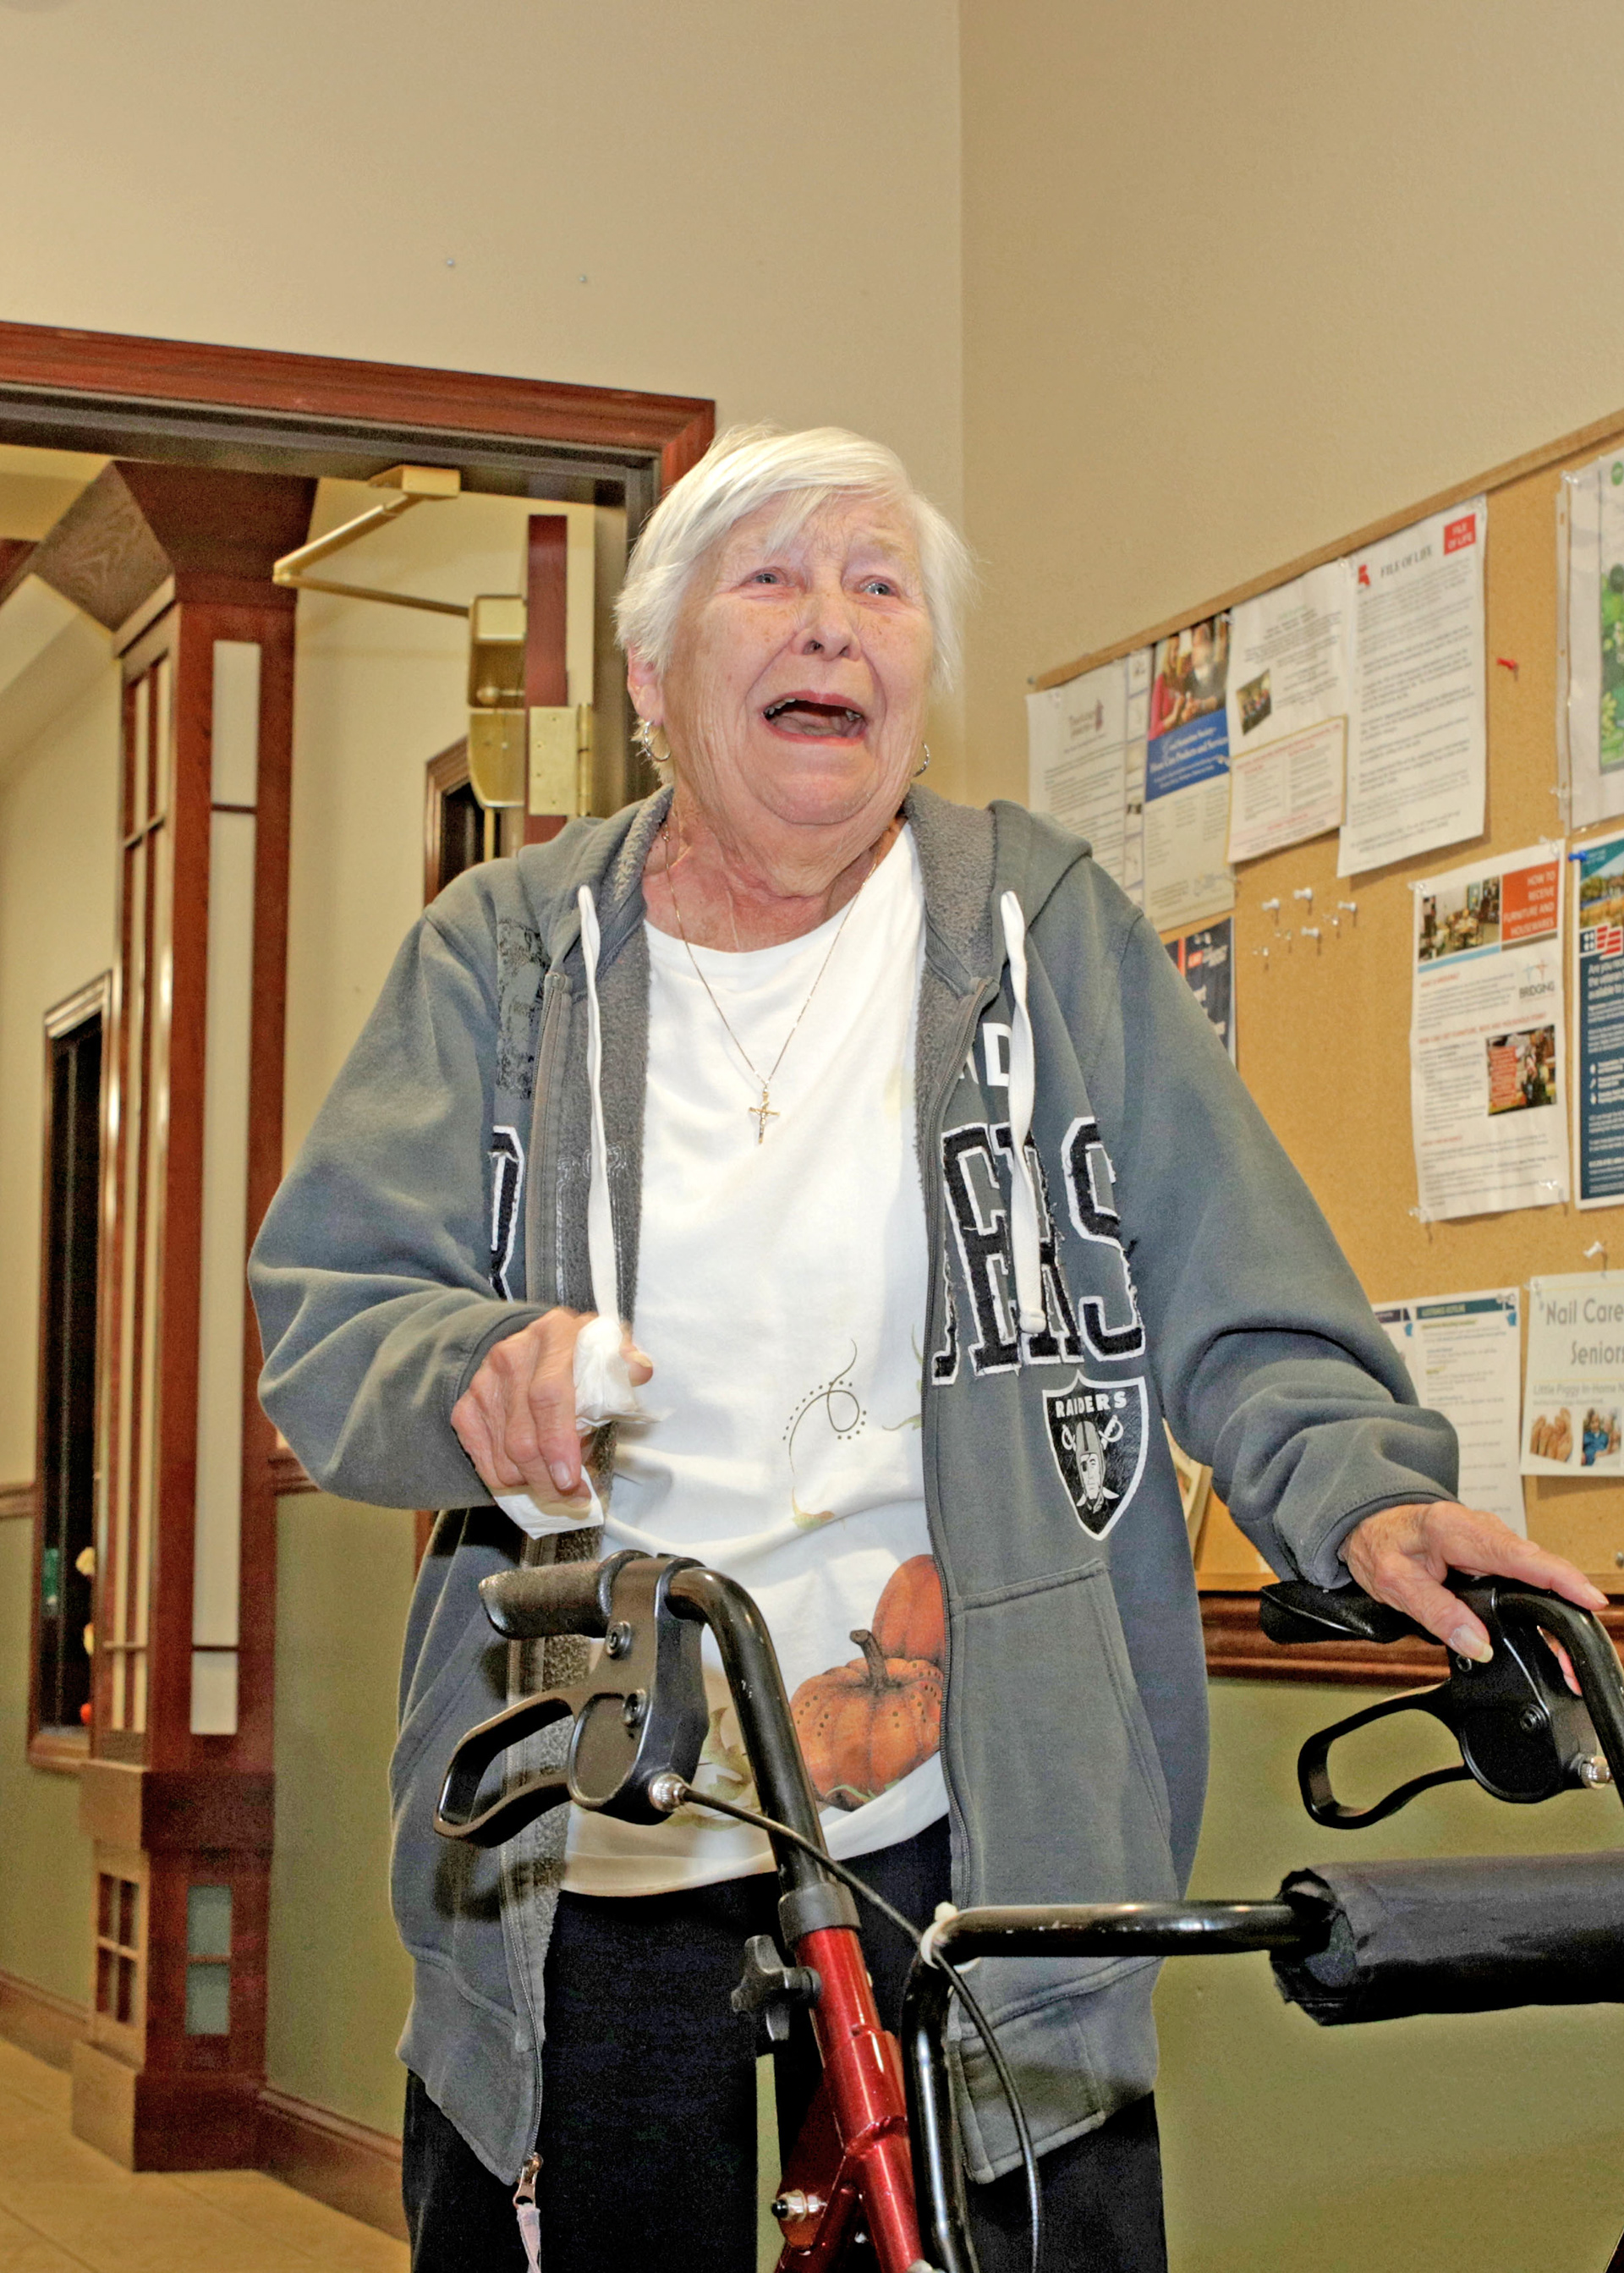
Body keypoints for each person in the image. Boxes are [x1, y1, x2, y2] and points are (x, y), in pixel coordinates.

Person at [249, 426, 1606, 2273]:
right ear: (651, 675)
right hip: (605, 1794)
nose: (834, 623)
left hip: (981, 1790)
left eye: (879, 586)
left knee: (1014, 2229)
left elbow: (1235, 1283)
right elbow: (335, 1319)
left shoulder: (1034, 929)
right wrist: (469, 1370)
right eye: (772, 579)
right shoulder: (508, 956)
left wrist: (1365, 1498)